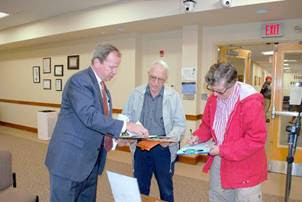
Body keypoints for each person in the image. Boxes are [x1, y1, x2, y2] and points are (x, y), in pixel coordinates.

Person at [45, 44, 149, 202]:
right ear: (96, 62)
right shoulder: (79, 81)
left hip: (90, 162)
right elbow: (89, 116)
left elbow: (100, 124)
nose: (115, 72)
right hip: (69, 161)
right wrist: (125, 126)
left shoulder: (103, 88)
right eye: (112, 67)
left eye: (117, 68)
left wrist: (118, 138)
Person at [188, 63, 267, 202]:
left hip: (246, 163)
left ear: (233, 84)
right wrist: (198, 137)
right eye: (212, 89)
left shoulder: (250, 102)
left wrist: (222, 149)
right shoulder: (213, 99)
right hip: (220, 158)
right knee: (218, 197)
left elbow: (256, 140)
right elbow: (207, 125)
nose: (214, 94)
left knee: (244, 198)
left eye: (219, 91)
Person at [121, 60, 186, 202]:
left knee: (166, 189)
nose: (155, 83)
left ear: (165, 79)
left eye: (160, 79)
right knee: (140, 188)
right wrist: (126, 132)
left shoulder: (173, 96)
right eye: (153, 77)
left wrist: (169, 138)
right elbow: (126, 118)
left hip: (163, 148)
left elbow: (180, 124)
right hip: (141, 147)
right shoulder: (136, 94)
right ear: (148, 75)